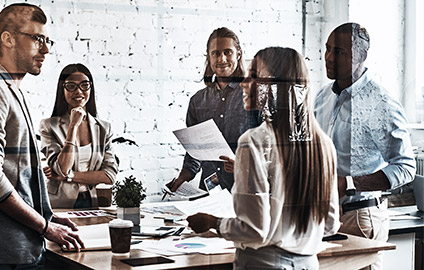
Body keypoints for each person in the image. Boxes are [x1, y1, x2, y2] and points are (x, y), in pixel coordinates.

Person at [0, 3, 84, 269]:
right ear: (8, 39)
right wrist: (45, 226)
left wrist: (47, 216)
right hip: (3, 243)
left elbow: (15, 173)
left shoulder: (9, 90)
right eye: (37, 39)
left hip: (16, 240)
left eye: (47, 40)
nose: (45, 49)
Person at [187, 47, 340, 269]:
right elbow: (330, 224)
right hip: (308, 263)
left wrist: (214, 223)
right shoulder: (323, 144)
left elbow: (254, 231)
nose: (243, 83)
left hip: (264, 263)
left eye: (254, 76)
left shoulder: (254, 141)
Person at [314, 22, 416, 270]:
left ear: (361, 55)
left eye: (338, 52)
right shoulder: (322, 97)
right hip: (322, 217)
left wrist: (348, 183)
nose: (328, 58)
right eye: (327, 49)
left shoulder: (381, 103)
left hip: (360, 217)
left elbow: (405, 167)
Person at [167, 27, 260, 192]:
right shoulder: (197, 101)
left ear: (238, 53)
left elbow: (272, 149)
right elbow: (195, 153)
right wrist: (181, 179)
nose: (222, 58)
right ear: (208, 57)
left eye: (227, 52)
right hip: (209, 195)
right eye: (215, 53)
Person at [39, 63, 118, 209]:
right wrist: (73, 126)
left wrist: (69, 176)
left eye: (84, 85)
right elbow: (62, 167)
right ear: (62, 89)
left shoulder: (103, 128)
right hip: (59, 202)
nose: (79, 91)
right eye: (71, 86)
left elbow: (109, 175)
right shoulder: (49, 126)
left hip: (91, 201)